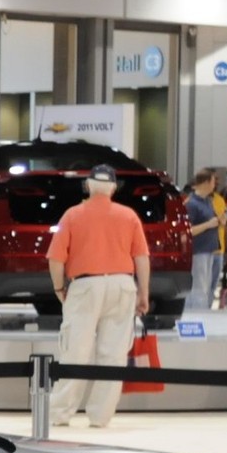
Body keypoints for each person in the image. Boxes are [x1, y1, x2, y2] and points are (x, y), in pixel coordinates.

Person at [45, 164, 151, 430]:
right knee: (113, 354)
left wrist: (60, 289)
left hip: (85, 285)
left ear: (88, 186)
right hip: (122, 285)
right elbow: (142, 258)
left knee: (75, 350)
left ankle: (60, 413)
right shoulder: (129, 216)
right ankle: (100, 416)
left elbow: (56, 259)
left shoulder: (73, 215)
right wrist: (143, 293)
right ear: (114, 188)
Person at [184, 168, 224, 314]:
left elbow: (211, 220)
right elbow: (188, 230)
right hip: (198, 251)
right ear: (206, 182)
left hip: (210, 251)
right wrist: (208, 224)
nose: (215, 185)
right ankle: (197, 317)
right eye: (213, 181)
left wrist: (219, 221)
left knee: (206, 288)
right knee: (199, 288)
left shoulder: (208, 201)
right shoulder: (192, 204)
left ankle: (202, 315)